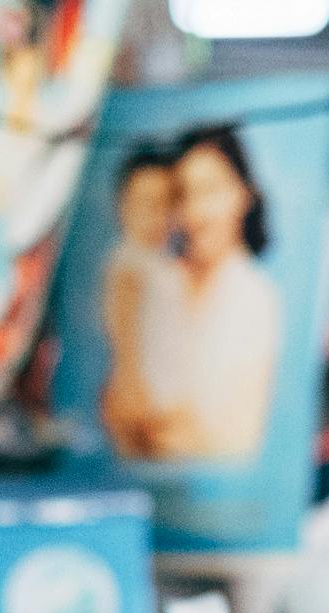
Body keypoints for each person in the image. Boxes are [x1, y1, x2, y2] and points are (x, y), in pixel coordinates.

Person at [125, 126, 282, 466]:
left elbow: (236, 438)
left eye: (210, 190)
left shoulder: (256, 298)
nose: (195, 211)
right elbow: (121, 411)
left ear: (244, 194)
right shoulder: (154, 284)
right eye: (183, 194)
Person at [98, 147, 181, 459]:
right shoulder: (128, 263)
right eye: (144, 205)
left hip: (159, 393)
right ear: (123, 208)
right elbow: (124, 335)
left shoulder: (161, 263)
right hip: (138, 396)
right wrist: (135, 392)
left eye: (164, 205)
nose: (155, 217)